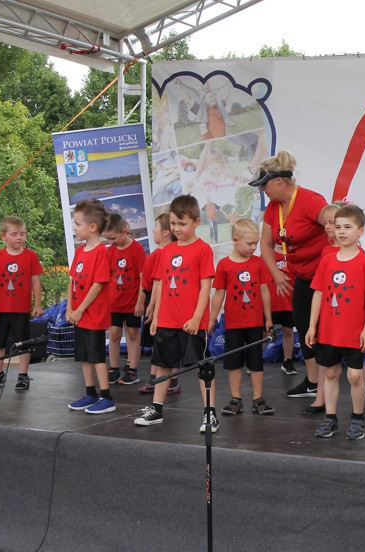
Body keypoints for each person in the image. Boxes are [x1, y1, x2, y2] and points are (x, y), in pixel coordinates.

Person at [251, 151, 330, 403]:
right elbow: (265, 245)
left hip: (324, 277)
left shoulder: (309, 200)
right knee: (303, 324)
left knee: (327, 327)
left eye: (264, 184)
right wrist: (277, 274)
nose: (262, 189)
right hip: (301, 276)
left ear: (279, 181)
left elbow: (336, 226)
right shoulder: (274, 208)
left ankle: (358, 371)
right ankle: (312, 381)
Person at [135, 195, 215, 431]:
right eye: (173, 224)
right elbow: (160, 284)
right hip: (167, 320)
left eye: (182, 224)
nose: (177, 229)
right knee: (163, 364)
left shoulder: (203, 250)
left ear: (197, 222)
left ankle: (209, 413)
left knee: (202, 367)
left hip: (191, 322)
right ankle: (157, 408)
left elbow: (205, 287)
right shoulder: (166, 251)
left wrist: (197, 318)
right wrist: (157, 316)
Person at [306, 205, 365, 440]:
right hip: (329, 330)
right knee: (330, 373)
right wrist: (312, 325)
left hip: (354, 331)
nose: (341, 231)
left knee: (355, 376)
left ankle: (358, 418)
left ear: (361, 231)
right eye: (337, 227)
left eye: (347, 227)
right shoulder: (327, 260)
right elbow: (318, 293)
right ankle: (330, 418)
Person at [208, 218, 275, 416]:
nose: (254, 247)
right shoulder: (224, 265)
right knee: (234, 363)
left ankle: (258, 399)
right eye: (250, 243)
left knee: (256, 362)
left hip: (254, 323)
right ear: (235, 240)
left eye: (256, 243)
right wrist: (212, 318)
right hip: (233, 324)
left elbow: (264, 291)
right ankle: (235, 399)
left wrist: (268, 318)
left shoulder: (258, 263)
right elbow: (219, 293)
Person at [66, 199, 115, 414]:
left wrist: (80, 310)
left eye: (77, 224)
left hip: (92, 315)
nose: (75, 228)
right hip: (78, 314)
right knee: (83, 355)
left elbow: (97, 285)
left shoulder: (101, 252)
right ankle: (90, 393)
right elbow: (72, 281)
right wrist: (69, 308)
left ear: (92, 227)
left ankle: (106, 396)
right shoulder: (79, 252)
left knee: (96, 356)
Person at [0, 216, 44, 391]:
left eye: (22, 234)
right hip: (0, 310)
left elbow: (35, 281)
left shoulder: (30, 256)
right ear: (3, 236)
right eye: (14, 234)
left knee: (23, 343)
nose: (19, 237)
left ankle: (23, 375)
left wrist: (38, 304)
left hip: (21, 309)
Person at [138, 213, 180, 395]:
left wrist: (152, 304)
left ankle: (172, 380)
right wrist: (149, 304)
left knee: (168, 342)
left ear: (165, 232)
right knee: (158, 342)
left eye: (156, 227)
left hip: (168, 301)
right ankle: (156, 378)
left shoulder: (167, 254)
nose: (153, 230)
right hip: (155, 299)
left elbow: (159, 282)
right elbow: (153, 282)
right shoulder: (157, 255)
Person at [103, 213, 146, 386]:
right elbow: (106, 277)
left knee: (133, 333)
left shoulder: (136, 250)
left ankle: (132, 369)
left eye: (113, 238)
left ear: (124, 231)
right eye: (107, 239)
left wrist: (140, 302)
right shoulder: (110, 251)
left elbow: (143, 278)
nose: (110, 242)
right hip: (114, 302)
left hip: (132, 301)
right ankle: (113, 368)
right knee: (114, 333)